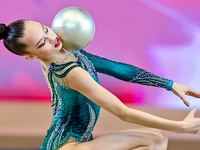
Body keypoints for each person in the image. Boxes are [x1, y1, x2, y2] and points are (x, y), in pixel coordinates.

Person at [0, 20, 200, 150]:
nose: (52, 38)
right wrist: (179, 127)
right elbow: (123, 112)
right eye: (42, 42)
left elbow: (117, 69)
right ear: (31, 56)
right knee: (155, 140)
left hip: (77, 140)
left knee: (156, 137)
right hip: (67, 145)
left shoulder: (68, 53)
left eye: (46, 30)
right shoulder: (71, 73)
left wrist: (170, 84)